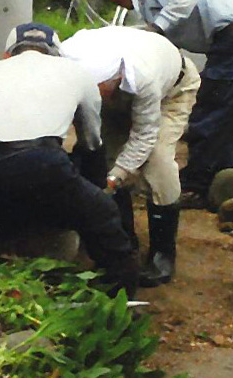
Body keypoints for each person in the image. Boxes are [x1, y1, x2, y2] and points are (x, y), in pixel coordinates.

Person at [0, 23, 138, 297]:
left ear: (7, 55)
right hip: (37, 160)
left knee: (0, 183)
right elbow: (92, 141)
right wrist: (94, 191)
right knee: (101, 212)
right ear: (57, 54)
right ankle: (120, 292)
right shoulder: (76, 73)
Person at [88, 0, 233, 205]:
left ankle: (198, 186)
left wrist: (155, 30)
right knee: (227, 110)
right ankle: (219, 181)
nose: (113, 3)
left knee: (209, 111)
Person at [60, 25, 200, 287]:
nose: (96, 94)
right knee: (108, 158)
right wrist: (100, 166)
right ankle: (123, 239)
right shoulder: (67, 60)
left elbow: (144, 136)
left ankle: (162, 252)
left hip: (171, 92)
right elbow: (88, 131)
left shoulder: (143, 77)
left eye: (100, 89)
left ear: (116, 76)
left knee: (157, 161)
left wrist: (115, 179)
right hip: (120, 96)